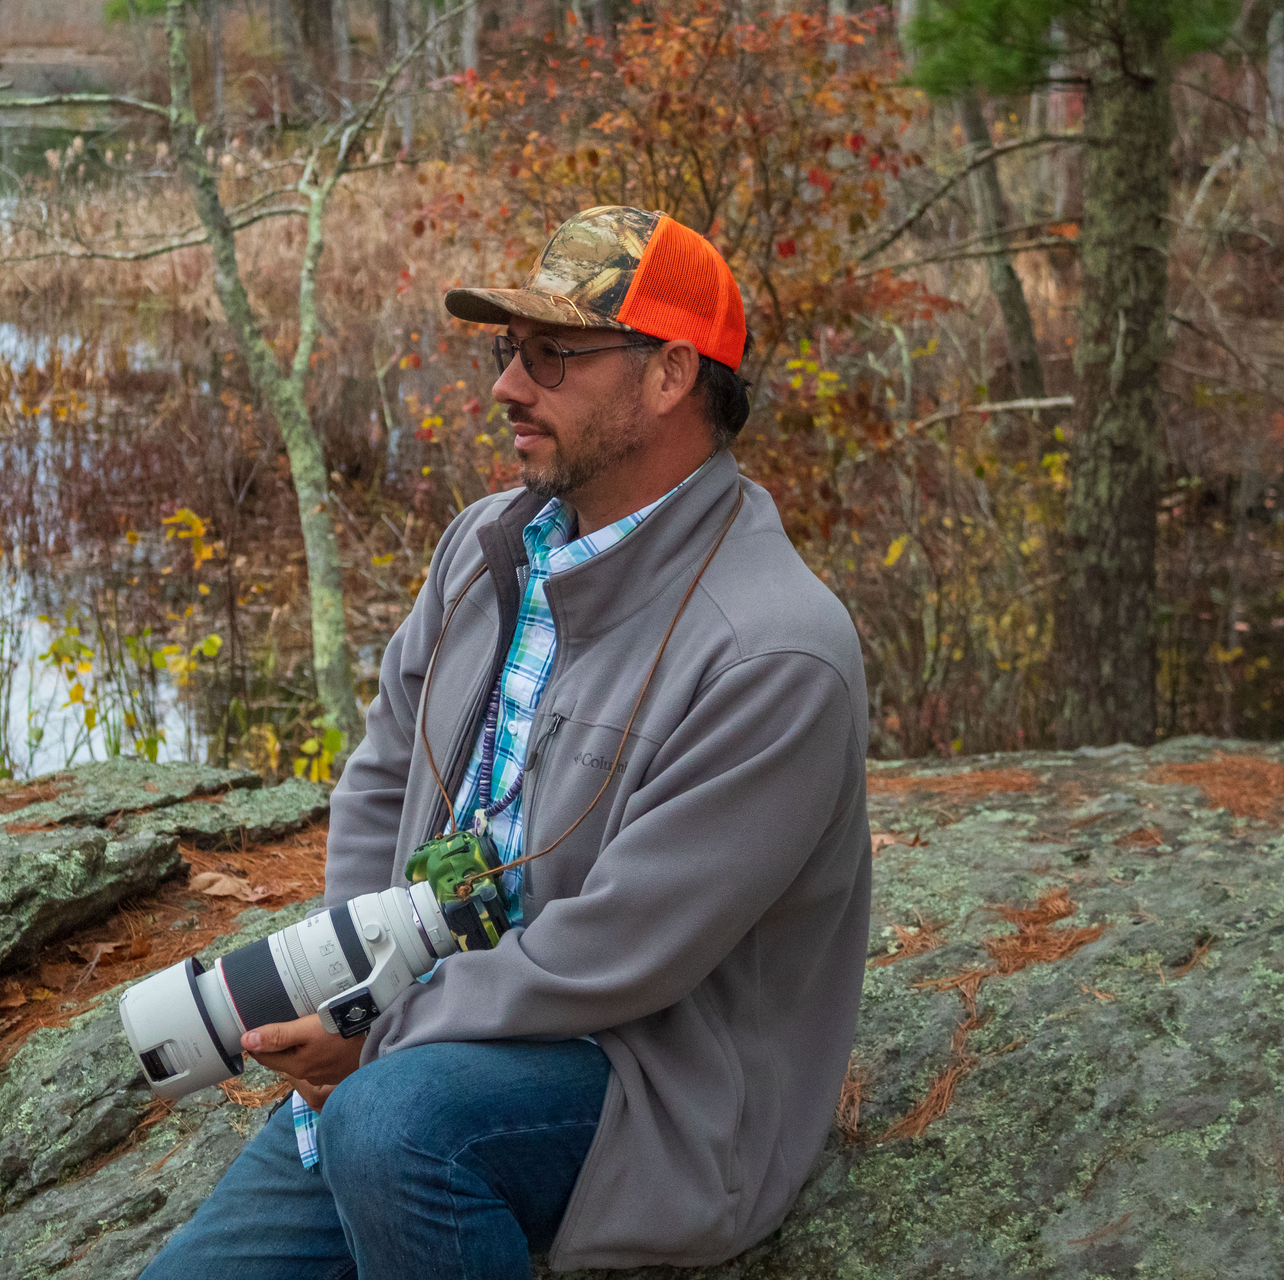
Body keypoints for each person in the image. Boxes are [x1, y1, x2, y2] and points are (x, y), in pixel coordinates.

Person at [141, 206, 872, 1279]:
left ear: (671, 374)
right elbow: (384, 774)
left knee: (393, 1128)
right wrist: (345, 983)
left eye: (553, 356)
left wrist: (378, 1032)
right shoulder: (487, 545)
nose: (509, 387)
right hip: (421, 1045)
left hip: (642, 1085)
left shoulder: (777, 652)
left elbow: (620, 952)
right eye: (508, 351)